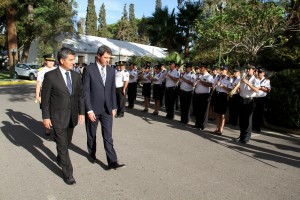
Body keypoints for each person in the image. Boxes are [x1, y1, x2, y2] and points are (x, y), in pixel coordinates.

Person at [41, 47, 85, 185]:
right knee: (63, 146)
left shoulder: (77, 76)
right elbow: (45, 99)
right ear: (62, 60)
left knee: (66, 142)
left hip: (72, 117)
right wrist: (46, 117)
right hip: (58, 117)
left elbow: (80, 97)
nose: (74, 62)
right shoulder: (50, 76)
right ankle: (68, 173)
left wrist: (81, 112)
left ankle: (60, 158)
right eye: (71, 60)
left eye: (74, 59)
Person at [82, 45, 125, 169]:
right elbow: (86, 91)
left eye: (109, 58)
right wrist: (89, 109)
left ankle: (112, 161)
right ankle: (91, 154)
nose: (108, 60)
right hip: (93, 110)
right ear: (99, 56)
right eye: (105, 57)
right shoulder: (89, 69)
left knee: (108, 136)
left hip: (107, 109)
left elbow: (112, 90)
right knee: (91, 135)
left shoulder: (111, 71)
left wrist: (114, 107)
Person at [236, 64, 260, 143]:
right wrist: (237, 88)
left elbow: (256, 90)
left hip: (249, 100)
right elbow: (241, 89)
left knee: (248, 120)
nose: (247, 70)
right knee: (242, 119)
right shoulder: (243, 78)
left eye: (249, 69)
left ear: (253, 70)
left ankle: (246, 137)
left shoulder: (255, 80)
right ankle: (242, 135)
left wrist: (248, 83)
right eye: (247, 69)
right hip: (241, 99)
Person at [35, 54, 56, 136]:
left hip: (55, 95)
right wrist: (37, 96)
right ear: (45, 61)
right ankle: (47, 129)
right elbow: (38, 84)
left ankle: (55, 127)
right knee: (46, 111)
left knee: (55, 111)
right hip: (45, 95)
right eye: (50, 61)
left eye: (53, 61)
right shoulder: (41, 71)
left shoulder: (57, 70)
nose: (51, 63)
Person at [212, 66, 232, 135]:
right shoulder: (218, 77)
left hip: (223, 96)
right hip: (217, 95)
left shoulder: (229, 79)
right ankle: (217, 128)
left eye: (223, 70)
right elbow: (213, 85)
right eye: (221, 70)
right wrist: (214, 86)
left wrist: (221, 85)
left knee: (222, 114)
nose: (222, 71)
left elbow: (230, 89)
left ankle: (221, 129)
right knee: (217, 113)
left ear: (226, 71)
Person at [193, 65, 214, 130]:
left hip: (204, 95)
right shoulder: (199, 75)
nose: (200, 69)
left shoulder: (209, 76)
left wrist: (201, 81)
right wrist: (195, 82)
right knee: (197, 109)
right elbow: (195, 84)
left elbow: (210, 85)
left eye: (201, 68)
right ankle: (197, 123)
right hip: (197, 94)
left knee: (203, 110)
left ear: (205, 69)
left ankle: (202, 125)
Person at [253, 67, 271, 132]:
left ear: (263, 73)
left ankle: (258, 127)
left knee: (259, 113)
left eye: (260, 72)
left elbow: (268, 90)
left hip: (262, 98)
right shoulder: (256, 79)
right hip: (255, 98)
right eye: (258, 72)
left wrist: (260, 88)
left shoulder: (266, 81)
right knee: (254, 112)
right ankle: (254, 126)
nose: (259, 74)